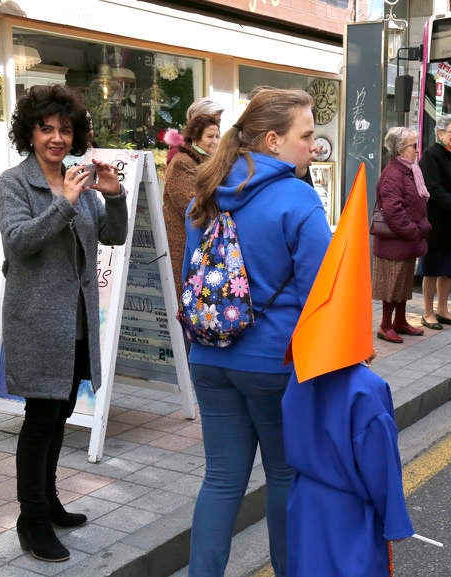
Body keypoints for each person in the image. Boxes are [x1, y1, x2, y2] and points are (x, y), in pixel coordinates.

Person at [183, 87, 331, 577]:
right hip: (274, 365)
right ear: (272, 140)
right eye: (306, 135)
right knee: (285, 475)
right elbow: (323, 296)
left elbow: (192, 280)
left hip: (208, 359)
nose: (313, 146)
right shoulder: (298, 199)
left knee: (221, 481)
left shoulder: (204, 195)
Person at [0, 84, 128, 562]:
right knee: (39, 421)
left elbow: (113, 236)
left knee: (59, 418)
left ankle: (48, 501)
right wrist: (64, 202)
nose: (56, 137)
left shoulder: (82, 180)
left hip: (77, 323)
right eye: (46, 128)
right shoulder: (14, 183)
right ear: (29, 133)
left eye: (64, 129)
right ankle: (30, 519)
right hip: (36, 324)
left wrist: (113, 197)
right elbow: (20, 242)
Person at [284, 164, 414, 577]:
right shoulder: (367, 389)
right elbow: (381, 465)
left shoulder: (300, 370)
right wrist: (394, 520)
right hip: (350, 514)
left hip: (305, 503)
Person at [372, 127, 431, 343]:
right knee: (392, 285)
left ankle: (400, 321)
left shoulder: (410, 170)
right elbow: (393, 210)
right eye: (413, 146)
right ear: (400, 149)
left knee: (404, 283)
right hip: (394, 242)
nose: (416, 150)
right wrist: (414, 231)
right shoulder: (393, 174)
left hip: (406, 240)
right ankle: (385, 325)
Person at [419, 112, 451, 329]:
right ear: (440, 133)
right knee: (431, 268)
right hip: (436, 221)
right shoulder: (431, 155)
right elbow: (432, 188)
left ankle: (443, 309)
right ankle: (428, 312)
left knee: (448, 269)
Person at [163, 113, 220, 305]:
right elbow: (192, 208)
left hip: (199, 245)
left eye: (217, 136)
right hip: (183, 245)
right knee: (185, 300)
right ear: (195, 138)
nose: (215, 141)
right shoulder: (182, 162)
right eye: (210, 136)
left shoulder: (207, 163)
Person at [165, 97, 224, 165]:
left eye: (218, 121)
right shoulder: (179, 153)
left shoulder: (216, 146)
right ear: (196, 120)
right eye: (210, 120)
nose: (215, 125)